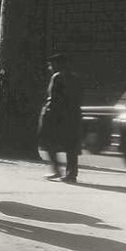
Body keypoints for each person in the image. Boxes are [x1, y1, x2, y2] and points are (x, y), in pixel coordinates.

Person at [38, 53, 83, 183]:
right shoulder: (76, 78)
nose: (49, 68)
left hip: (56, 115)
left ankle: (56, 169)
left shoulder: (57, 77)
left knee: (48, 142)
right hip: (73, 115)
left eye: (51, 65)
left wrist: (46, 112)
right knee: (71, 146)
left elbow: (53, 98)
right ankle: (71, 173)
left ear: (57, 65)